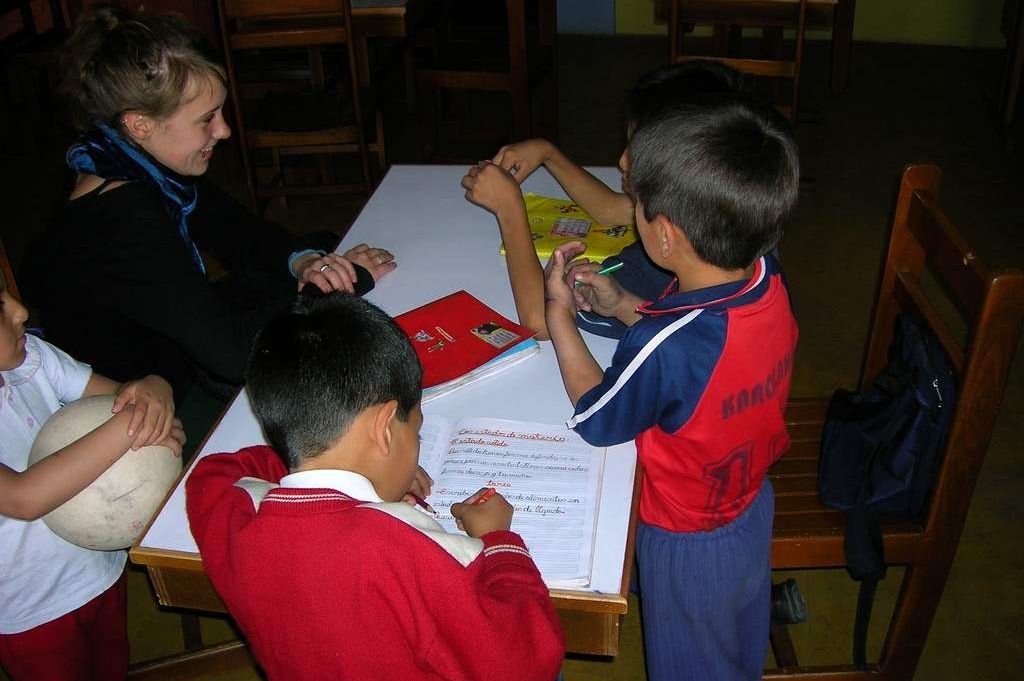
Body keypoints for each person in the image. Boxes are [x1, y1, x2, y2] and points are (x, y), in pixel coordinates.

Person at [541, 96, 800, 681]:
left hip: (686, 539)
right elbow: (706, 349)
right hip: (752, 501)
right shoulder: (768, 277)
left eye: (637, 206)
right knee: (737, 641)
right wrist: (627, 304)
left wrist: (559, 314)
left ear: (664, 236)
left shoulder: (663, 343)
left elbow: (599, 418)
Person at [185, 292, 565, 681]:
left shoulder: (240, 514)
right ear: (385, 429)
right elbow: (527, 662)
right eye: (415, 430)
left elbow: (213, 471)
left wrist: (331, 465)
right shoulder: (407, 546)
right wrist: (499, 541)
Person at [25, 5, 396, 402]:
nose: (224, 130)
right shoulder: (125, 215)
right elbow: (233, 356)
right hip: (152, 385)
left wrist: (305, 262)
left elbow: (238, 231)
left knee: (312, 246)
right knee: (320, 329)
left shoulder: (127, 158)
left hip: (179, 333)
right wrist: (337, 288)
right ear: (140, 124)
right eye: (207, 119)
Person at [462, 61, 748, 339]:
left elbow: (540, 320)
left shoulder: (664, 263)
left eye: (637, 150)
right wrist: (548, 154)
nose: (622, 160)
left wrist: (509, 208)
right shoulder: (728, 205)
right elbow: (613, 210)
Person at [0, 266, 185, 681]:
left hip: (99, 566)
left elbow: (121, 397)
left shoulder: (34, 358)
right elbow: (22, 499)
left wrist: (156, 389)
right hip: (30, 610)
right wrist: (132, 426)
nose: (21, 310)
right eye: (0, 303)